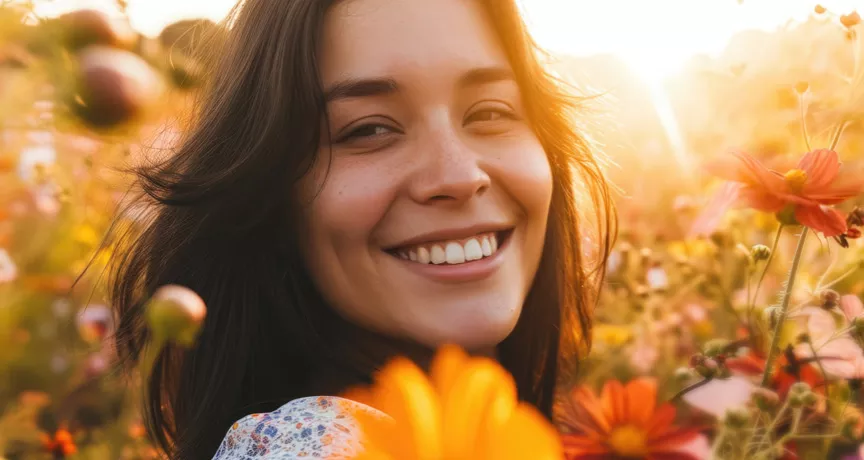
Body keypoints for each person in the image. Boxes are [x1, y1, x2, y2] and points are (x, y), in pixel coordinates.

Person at [106, 0, 615, 458]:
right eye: (368, 129)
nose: (459, 176)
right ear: (269, 196)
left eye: (490, 112)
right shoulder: (312, 447)